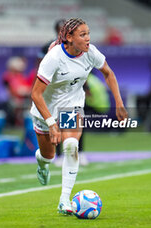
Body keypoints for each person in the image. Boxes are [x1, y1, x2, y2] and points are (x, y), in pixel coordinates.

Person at [30, 18, 128, 215]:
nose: (88, 39)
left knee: (71, 145)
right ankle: (42, 163)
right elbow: (36, 94)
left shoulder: (90, 52)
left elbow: (108, 73)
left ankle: (64, 199)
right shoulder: (54, 58)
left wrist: (119, 103)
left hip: (71, 106)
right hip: (46, 110)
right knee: (48, 155)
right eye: (82, 35)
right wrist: (51, 123)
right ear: (69, 37)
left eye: (88, 33)